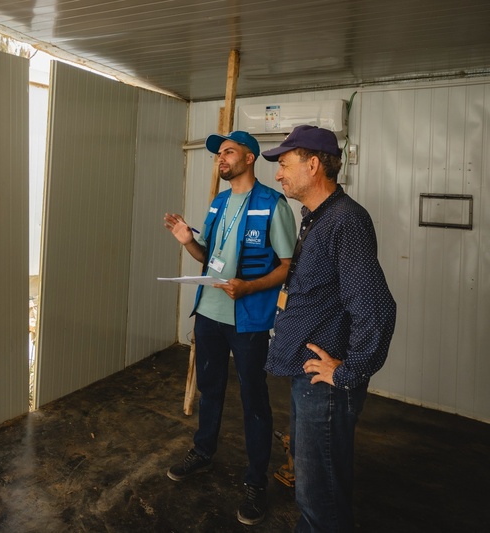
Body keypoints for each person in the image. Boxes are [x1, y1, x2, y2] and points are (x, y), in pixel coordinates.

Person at [262, 125, 396, 532]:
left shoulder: (346, 221)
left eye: (284, 164)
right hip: (310, 377)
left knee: (321, 497)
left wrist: (348, 372)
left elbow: (375, 307)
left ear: (314, 164)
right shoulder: (317, 217)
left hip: (328, 385)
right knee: (312, 487)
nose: (279, 174)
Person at [163, 131, 296, 526]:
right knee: (210, 389)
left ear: (250, 158)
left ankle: (256, 482)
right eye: (218, 154)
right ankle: (203, 451)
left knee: (255, 402)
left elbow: (288, 266)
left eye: (228, 152)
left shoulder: (274, 205)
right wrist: (188, 241)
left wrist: (249, 287)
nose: (220, 159)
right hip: (209, 316)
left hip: (249, 321)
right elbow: (210, 262)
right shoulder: (219, 203)